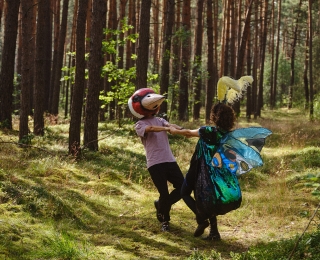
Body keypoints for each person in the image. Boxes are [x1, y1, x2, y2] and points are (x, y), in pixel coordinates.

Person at [169, 102, 237, 240]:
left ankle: (201, 218)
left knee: (184, 192)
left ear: (214, 116)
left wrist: (174, 130)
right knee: (210, 199)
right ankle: (214, 233)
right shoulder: (229, 135)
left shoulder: (208, 131)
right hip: (218, 171)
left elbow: (188, 133)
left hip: (199, 168)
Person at [128, 88, 187, 232]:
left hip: (169, 160)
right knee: (164, 192)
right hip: (155, 163)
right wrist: (167, 129)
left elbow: (171, 126)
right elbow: (151, 129)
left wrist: (180, 129)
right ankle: (165, 221)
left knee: (183, 187)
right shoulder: (139, 125)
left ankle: (161, 204)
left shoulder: (161, 120)